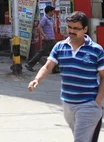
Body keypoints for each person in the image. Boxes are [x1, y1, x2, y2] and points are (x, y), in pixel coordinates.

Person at [28, 12, 104, 142]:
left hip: (88, 104)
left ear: (85, 29)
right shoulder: (60, 47)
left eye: (76, 28)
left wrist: (98, 100)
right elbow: (47, 67)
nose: (71, 31)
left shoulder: (96, 50)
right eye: (69, 27)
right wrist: (37, 79)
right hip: (67, 104)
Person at [25, 5, 57, 72]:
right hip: (47, 40)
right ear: (49, 12)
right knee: (42, 53)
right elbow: (39, 27)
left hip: (52, 39)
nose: (53, 13)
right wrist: (44, 35)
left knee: (55, 53)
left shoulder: (50, 19)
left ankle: (55, 69)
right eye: (52, 11)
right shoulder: (44, 19)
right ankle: (29, 64)